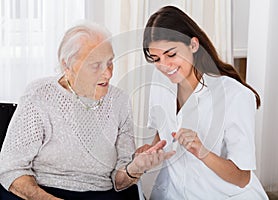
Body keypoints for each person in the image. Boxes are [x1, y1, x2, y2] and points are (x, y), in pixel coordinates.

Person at [0, 21, 175, 200]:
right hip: (43, 191)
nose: (108, 74)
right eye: (95, 65)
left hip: (100, 193)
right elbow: (11, 169)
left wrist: (134, 168)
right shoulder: (39, 95)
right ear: (67, 65)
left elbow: (120, 181)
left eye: (110, 62)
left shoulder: (119, 101)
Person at [142, 6, 269, 200]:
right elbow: (161, 132)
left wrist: (203, 153)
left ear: (193, 45)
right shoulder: (159, 83)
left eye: (171, 54)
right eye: (156, 59)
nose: (164, 66)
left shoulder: (235, 96)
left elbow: (242, 178)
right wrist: (151, 153)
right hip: (170, 194)